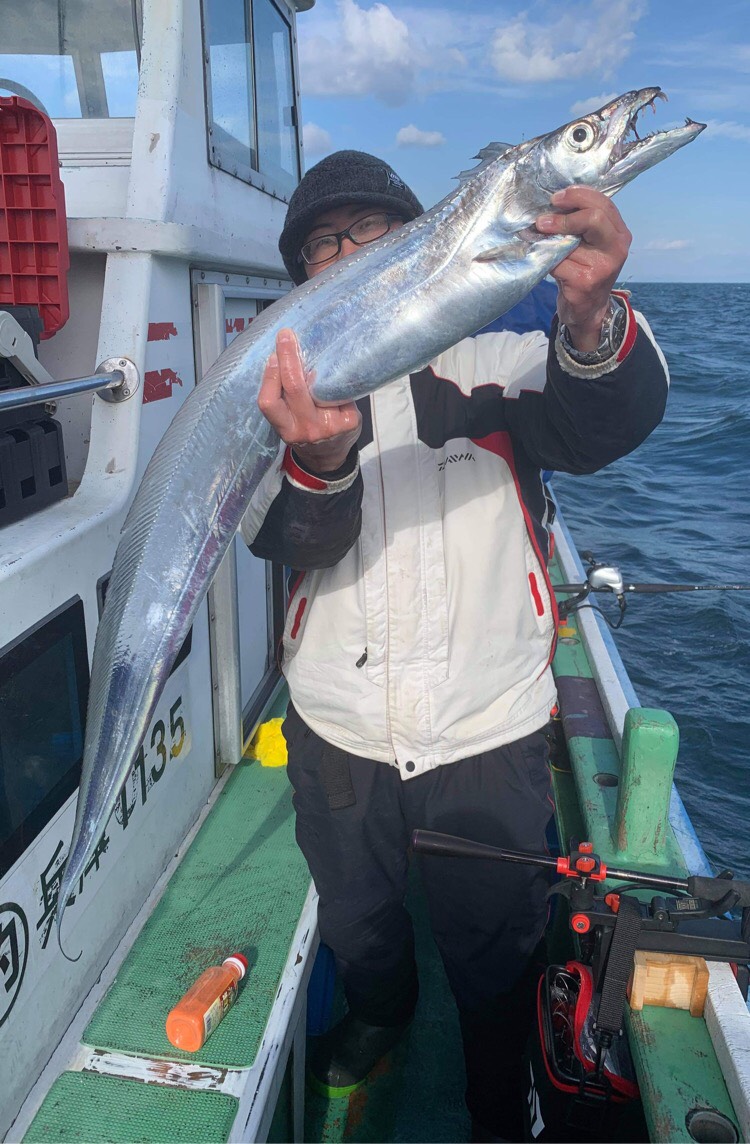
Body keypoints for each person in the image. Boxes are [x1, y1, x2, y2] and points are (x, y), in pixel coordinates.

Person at [242, 150, 668, 1141]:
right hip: (338, 729)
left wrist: (592, 317)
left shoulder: (491, 353)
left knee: (497, 949)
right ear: (306, 278)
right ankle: (384, 1016)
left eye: (375, 234)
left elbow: (603, 419)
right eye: (324, 245)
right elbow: (291, 538)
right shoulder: (281, 409)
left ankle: (494, 1086)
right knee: (365, 926)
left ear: (425, 247)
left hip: (488, 726)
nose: (349, 255)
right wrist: (319, 457)